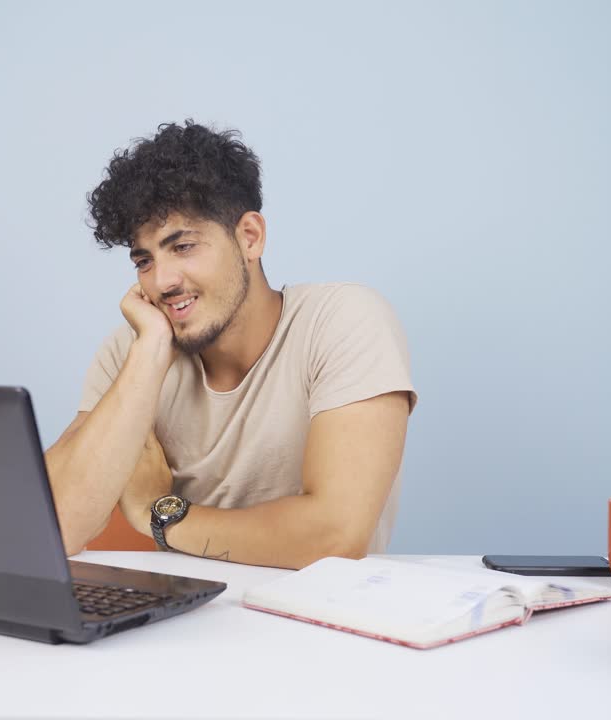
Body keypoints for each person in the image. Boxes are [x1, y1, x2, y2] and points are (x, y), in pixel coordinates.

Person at [45, 120, 416, 569]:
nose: (162, 281)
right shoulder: (135, 348)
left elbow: (334, 535)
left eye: (182, 247)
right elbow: (55, 525)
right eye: (144, 260)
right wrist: (149, 354)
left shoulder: (343, 322)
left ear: (250, 237)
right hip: (183, 622)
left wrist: (156, 515)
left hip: (317, 623)